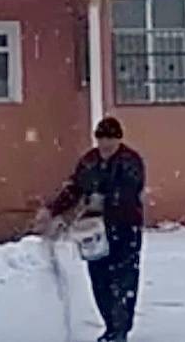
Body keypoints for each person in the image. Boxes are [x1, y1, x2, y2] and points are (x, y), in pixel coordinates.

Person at [35, 116, 145, 342]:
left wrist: (104, 200)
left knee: (123, 278)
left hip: (125, 228)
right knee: (100, 279)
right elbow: (74, 188)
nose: (105, 145)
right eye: (101, 139)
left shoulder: (130, 161)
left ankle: (120, 328)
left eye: (110, 140)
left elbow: (129, 191)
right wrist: (53, 210)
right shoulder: (89, 162)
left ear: (119, 139)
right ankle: (110, 325)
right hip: (93, 232)